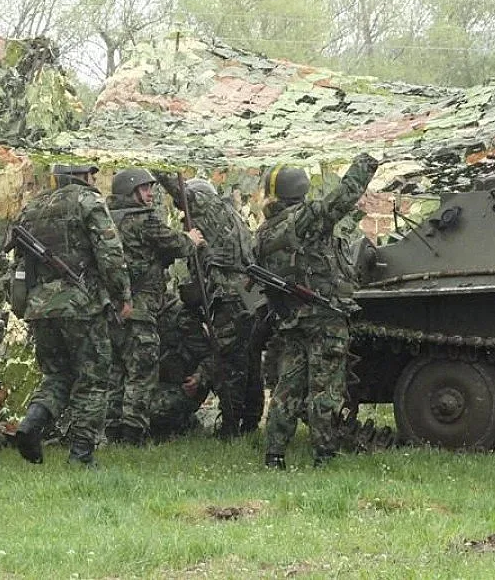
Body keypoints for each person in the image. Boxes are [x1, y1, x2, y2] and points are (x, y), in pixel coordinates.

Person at [255, 152, 379, 468]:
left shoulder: (266, 232)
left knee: (287, 389)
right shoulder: (306, 219)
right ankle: (324, 455)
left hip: (292, 320)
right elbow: (342, 197)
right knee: (325, 390)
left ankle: (274, 455)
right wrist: (367, 162)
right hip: (325, 318)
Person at [13, 164, 131, 467]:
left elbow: (19, 264)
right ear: (83, 175)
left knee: (57, 375)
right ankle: (81, 455)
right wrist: (122, 296)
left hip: (40, 308)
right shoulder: (88, 201)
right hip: (82, 305)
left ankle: (32, 423)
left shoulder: (33, 208)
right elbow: (110, 254)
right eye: (91, 174)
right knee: (93, 379)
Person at [155, 174, 264, 439]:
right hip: (249, 292)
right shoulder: (231, 217)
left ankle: (230, 427)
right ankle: (250, 420)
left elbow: (180, 191)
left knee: (229, 359)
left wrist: (158, 166)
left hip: (230, 295)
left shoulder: (206, 205)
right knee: (248, 355)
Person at [104, 167, 204, 445]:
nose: (150, 193)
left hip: (113, 307)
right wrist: (191, 239)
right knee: (142, 371)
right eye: (144, 188)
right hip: (141, 307)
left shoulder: (106, 220)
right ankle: (132, 435)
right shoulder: (143, 220)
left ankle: (112, 430)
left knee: (116, 371)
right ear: (130, 191)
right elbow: (176, 244)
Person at [147, 296, 213, 440]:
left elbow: (211, 356)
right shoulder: (131, 314)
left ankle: (188, 422)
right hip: (148, 385)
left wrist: (198, 377)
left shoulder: (180, 316)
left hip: (177, 386)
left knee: (157, 412)